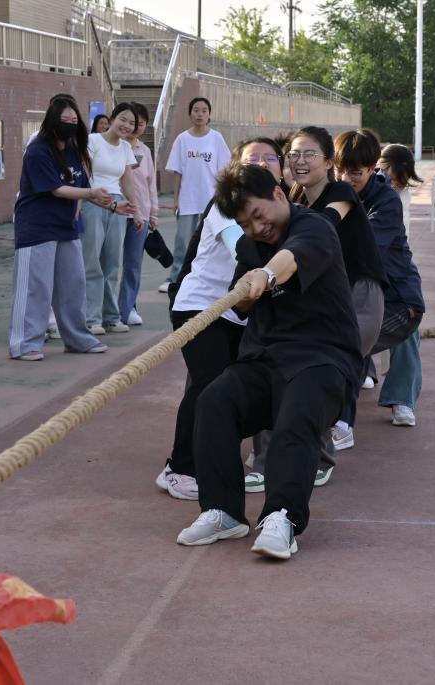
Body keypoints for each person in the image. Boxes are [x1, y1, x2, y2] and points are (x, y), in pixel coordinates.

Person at [176, 163, 362, 560]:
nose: (257, 228)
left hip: (322, 359)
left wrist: (266, 275)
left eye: (259, 216)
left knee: (297, 415)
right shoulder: (250, 246)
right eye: (245, 224)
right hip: (265, 358)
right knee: (214, 401)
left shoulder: (314, 227)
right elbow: (242, 302)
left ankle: (283, 516)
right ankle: (224, 511)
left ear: (278, 194)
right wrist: (246, 290)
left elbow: (290, 259)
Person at [156, 137, 281, 501]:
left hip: (238, 315)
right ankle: (179, 468)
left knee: (236, 388)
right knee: (208, 385)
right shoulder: (226, 204)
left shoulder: (282, 208)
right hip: (200, 308)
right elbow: (241, 248)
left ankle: (216, 457)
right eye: (252, 158)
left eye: (270, 157)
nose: (261, 163)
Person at [286, 126, 389, 456]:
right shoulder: (298, 199)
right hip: (331, 300)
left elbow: (325, 224)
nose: (300, 161)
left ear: (329, 162)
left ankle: (327, 446)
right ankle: (323, 440)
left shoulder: (340, 192)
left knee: (327, 368)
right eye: (294, 154)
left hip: (360, 297)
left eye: (309, 154)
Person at [8, 96, 110, 362]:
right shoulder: (38, 150)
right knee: (36, 286)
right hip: (36, 227)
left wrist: (107, 204)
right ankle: (24, 343)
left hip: (65, 227)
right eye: (65, 120)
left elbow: (79, 187)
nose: (70, 124)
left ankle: (77, 338)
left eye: (74, 120)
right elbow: (56, 188)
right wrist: (90, 194)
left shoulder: (74, 150)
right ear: (53, 121)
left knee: (73, 284)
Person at [335, 132, 424, 427]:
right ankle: (357, 385)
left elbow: (361, 249)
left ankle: (399, 400)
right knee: (344, 337)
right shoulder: (333, 191)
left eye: (355, 173)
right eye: (340, 170)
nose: (346, 178)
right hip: (358, 290)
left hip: (396, 295)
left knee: (351, 341)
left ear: (372, 168)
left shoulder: (387, 200)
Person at [372, 142, 426, 426]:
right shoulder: (363, 190)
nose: (394, 184)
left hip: (395, 271)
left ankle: (402, 400)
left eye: (401, 181)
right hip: (363, 272)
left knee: (406, 326)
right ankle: (363, 372)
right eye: (390, 177)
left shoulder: (401, 195)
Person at [161, 97, 231, 291]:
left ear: (209, 115)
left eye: (204, 110)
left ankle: (205, 278)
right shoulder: (182, 139)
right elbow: (177, 172)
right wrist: (176, 200)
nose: (200, 114)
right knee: (183, 241)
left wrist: (223, 197)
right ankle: (176, 278)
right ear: (190, 113)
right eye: (196, 110)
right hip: (187, 200)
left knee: (210, 242)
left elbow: (225, 170)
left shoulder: (216, 138)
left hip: (211, 200)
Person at [81, 102, 139, 335]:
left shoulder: (125, 147)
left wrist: (136, 210)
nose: (126, 125)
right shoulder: (92, 140)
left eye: (131, 123)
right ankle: (91, 318)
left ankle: (111, 317)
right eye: (123, 119)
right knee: (92, 261)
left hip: (118, 206)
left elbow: (127, 180)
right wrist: (96, 199)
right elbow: (85, 176)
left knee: (112, 263)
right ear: (112, 119)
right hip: (94, 202)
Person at [118, 102, 159, 327]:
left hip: (140, 214)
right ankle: (106, 310)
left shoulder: (145, 151)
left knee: (133, 264)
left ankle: (128, 308)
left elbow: (151, 184)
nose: (135, 127)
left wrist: (153, 213)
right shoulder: (115, 146)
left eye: (140, 124)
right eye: (132, 122)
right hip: (115, 211)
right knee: (108, 265)